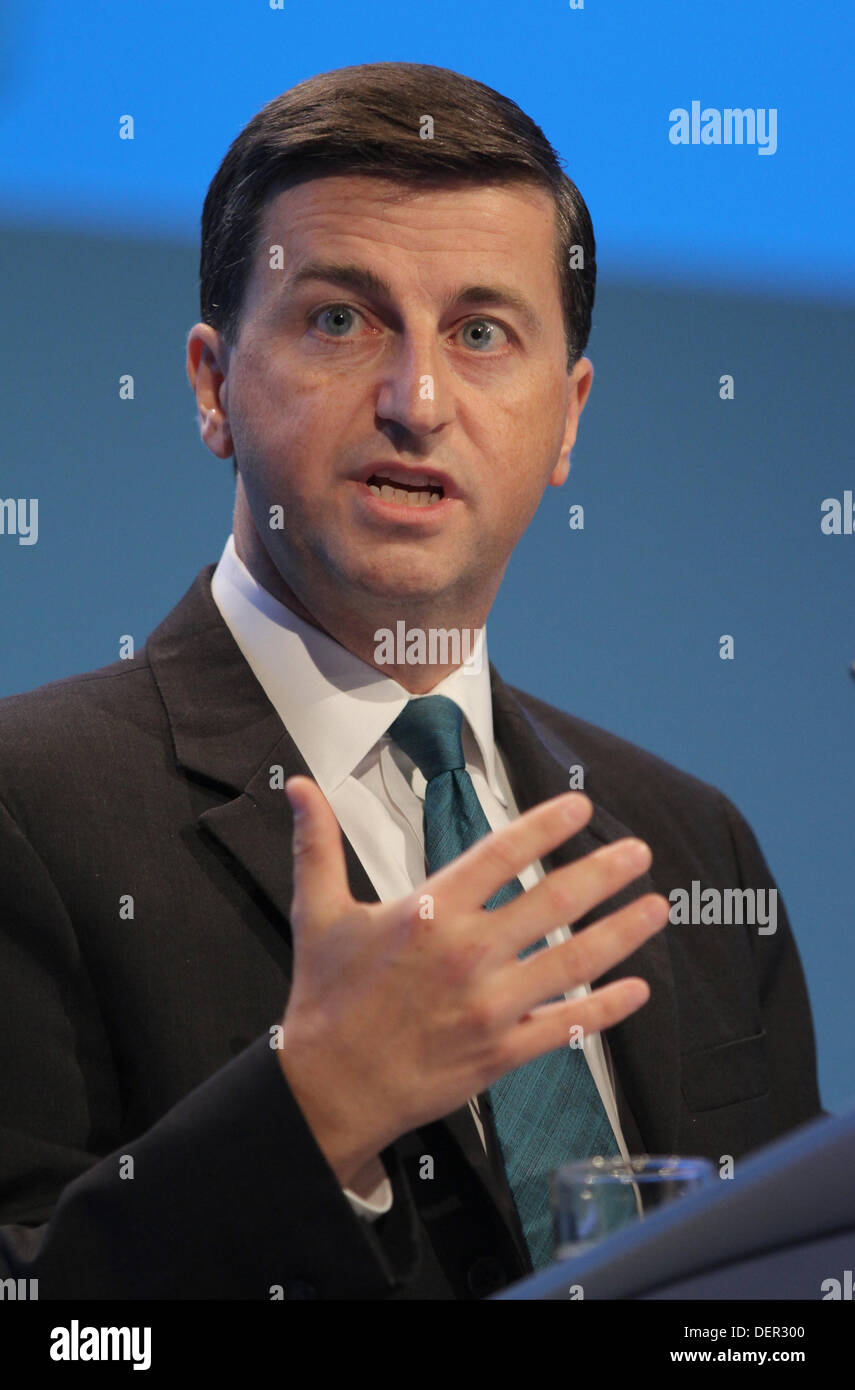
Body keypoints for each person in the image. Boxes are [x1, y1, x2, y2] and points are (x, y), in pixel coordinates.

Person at [0, 61, 821, 1300]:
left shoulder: (693, 849)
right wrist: (310, 1112)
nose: (418, 400)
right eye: (341, 319)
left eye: (481, 334)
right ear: (214, 385)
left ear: (568, 420)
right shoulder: (27, 808)